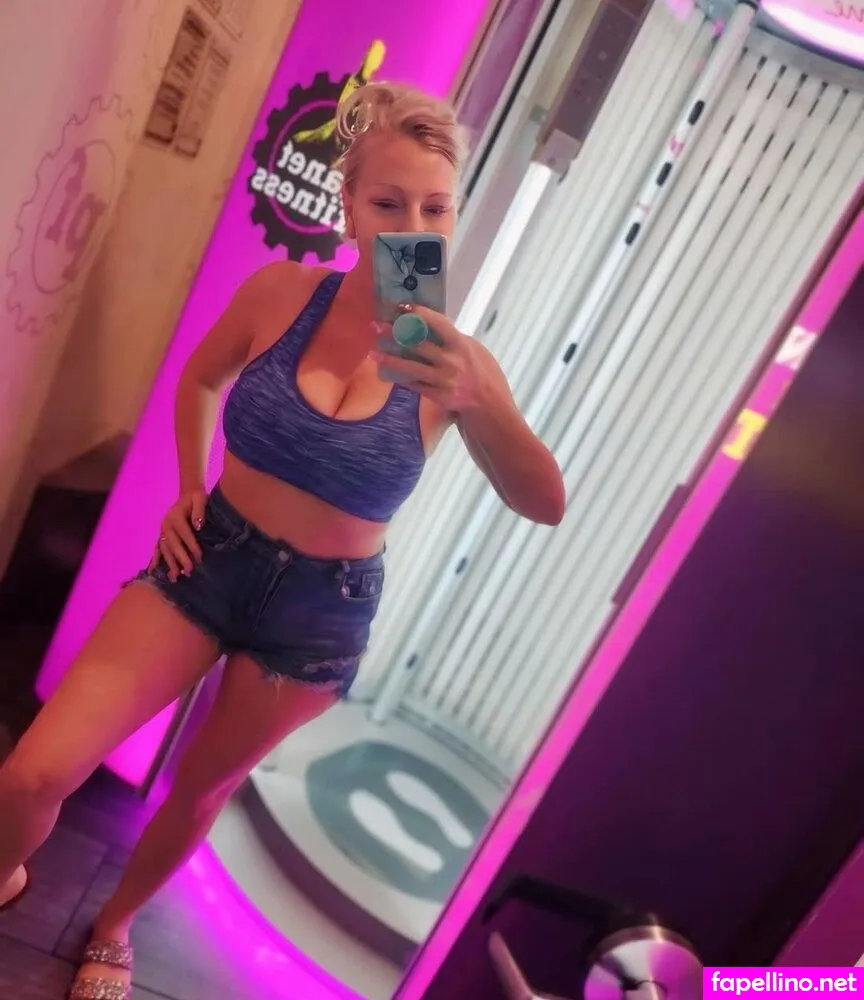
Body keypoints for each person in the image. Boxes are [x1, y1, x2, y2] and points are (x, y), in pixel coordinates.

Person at [0, 81, 565, 999]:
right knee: (32, 775)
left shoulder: (459, 368)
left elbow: (543, 502)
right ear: (349, 207)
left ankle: (113, 927)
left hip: (317, 616)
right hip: (207, 558)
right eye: (388, 203)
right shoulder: (280, 292)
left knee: (200, 791)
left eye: (434, 208)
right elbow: (199, 379)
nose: (411, 227)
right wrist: (189, 487)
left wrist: (480, 400)